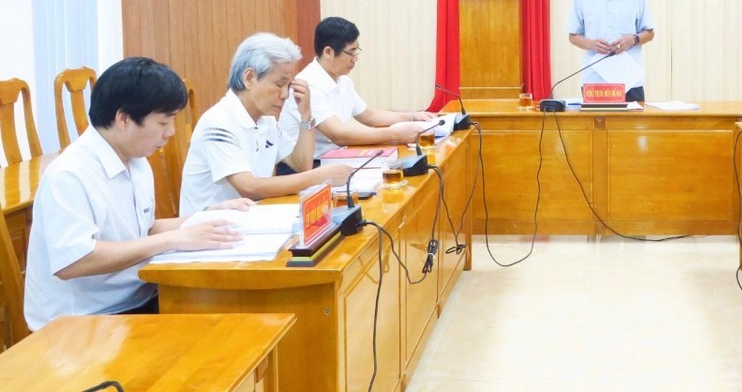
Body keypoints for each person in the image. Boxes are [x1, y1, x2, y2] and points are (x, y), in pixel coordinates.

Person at [24, 57, 250, 331]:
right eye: (163, 122)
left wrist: (206, 216)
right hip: (83, 320)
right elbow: (75, 261)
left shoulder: (137, 162)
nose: (170, 132)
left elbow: (144, 229)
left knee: (229, 318)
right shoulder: (70, 174)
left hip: (137, 300)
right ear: (123, 119)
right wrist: (173, 239)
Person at [178, 33, 351, 216]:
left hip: (250, 218)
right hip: (210, 226)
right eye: (279, 84)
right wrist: (320, 176)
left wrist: (306, 115)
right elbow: (249, 187)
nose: (285, 95)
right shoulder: (218, 122)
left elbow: (301, 164)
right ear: (249, 78)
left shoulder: (266, 120)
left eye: (289, 86)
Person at [280, 16, 437, 158]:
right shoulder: (309, 84)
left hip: (335, 158)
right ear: (328, 52)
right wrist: (394, 134)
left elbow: (369, 116)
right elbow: (339, 135)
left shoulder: (343, 80)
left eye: (357, 51)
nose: (355, 58)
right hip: (310, 165)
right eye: (351, 52)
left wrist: (413, 116)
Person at [566, 0, 655, 102]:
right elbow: (573, 36)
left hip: (629, 80)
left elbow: (649, 33)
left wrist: (633, 39)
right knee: (596, 119)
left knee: (633, 119)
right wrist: (591, 44)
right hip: (595, 79)